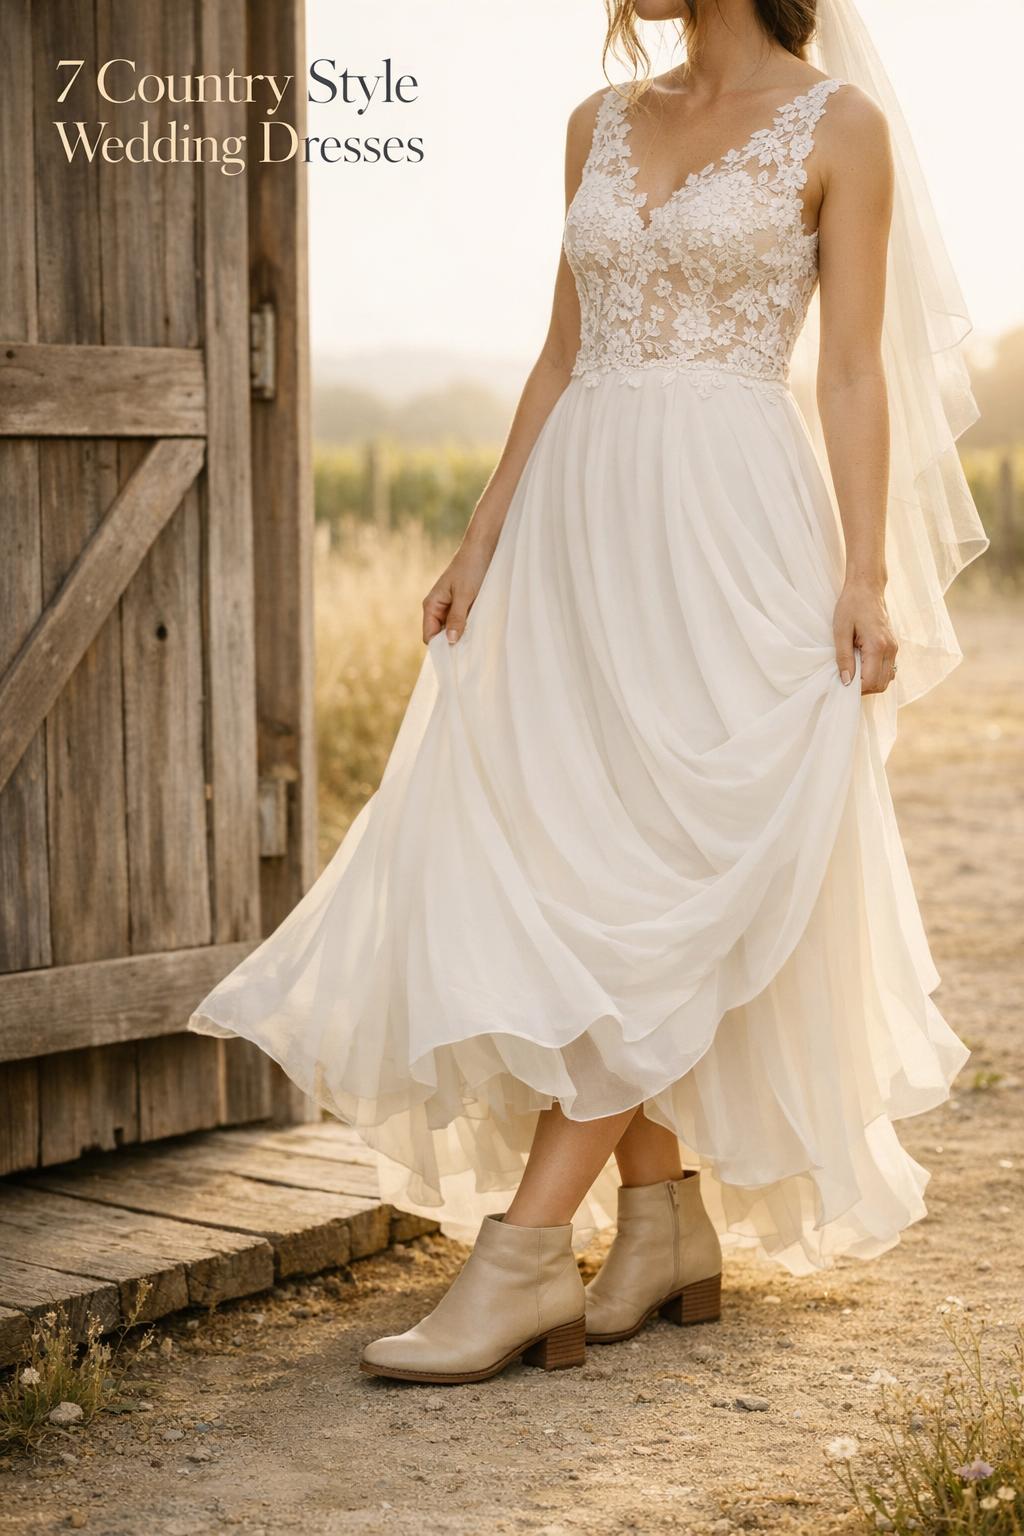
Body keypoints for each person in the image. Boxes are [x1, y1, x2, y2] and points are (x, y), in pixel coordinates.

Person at [190, 0, 987, 1386]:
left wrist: (867, 574)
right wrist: (482, 536)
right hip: (578, 528)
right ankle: (663, 1224)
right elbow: (561, 353)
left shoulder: (839, 125)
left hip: (732, 529)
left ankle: (523, 1254)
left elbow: (854, 370)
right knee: (579, 869)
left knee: (670, 870)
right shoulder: (598, 123)